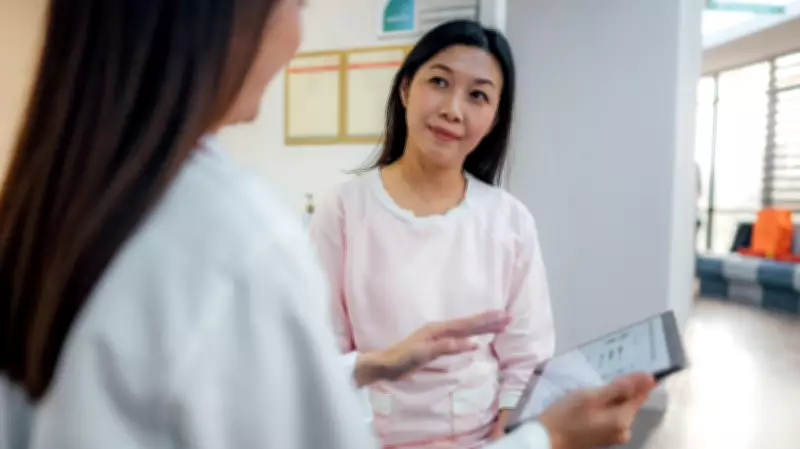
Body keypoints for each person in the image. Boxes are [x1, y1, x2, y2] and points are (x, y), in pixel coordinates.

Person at [0, 1, 655, 449]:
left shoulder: (50, 211)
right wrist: (552, 438)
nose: (295, 34)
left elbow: (524, 359)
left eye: (479, 95)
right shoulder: (248, 236)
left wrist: (511, 426)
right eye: (294, 5)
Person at [309, 20, 554, 447]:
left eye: (478, 95)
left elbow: (527, 364)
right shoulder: (345, 209)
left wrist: (502, 440)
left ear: (494, 118)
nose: (453, 110)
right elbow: (321, 357)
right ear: (406, 89)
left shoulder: (509, 221)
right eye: (439, 82)